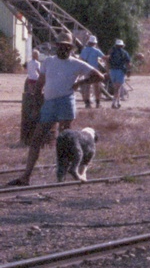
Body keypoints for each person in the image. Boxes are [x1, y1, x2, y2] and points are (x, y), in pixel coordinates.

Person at [7, 31, 104, 187]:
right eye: (60, 46)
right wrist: (36, 104)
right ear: (56, 46)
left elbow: (99, 76)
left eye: (66, 47)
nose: (63, 49)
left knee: (67, 140)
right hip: (50, 103)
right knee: (36, 138)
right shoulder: (48, 62)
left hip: (66, 102)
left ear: (70, 48)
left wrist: (80, 83)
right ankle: (26, 177)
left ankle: (63, 178)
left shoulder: (76, 63)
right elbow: (40, 83)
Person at [78, 36, 106, 108]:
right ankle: (98, 103)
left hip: (86, 70)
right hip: (95, 70)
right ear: (94, 43)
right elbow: (104, 57)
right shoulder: (96, 51)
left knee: (87, 87)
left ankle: (87, 103)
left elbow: (80, 59)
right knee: (96, 87)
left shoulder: (84, 50)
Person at [106, 39, 132, 109]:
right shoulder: (124, 53)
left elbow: (107, 61)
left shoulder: (111, 52)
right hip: (120, 71)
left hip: (112, 71)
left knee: (116, 87)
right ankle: (114, 102)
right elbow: (128, 63)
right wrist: (129, 71)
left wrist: (108, 70)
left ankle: (118, 102)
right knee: (117, 88)